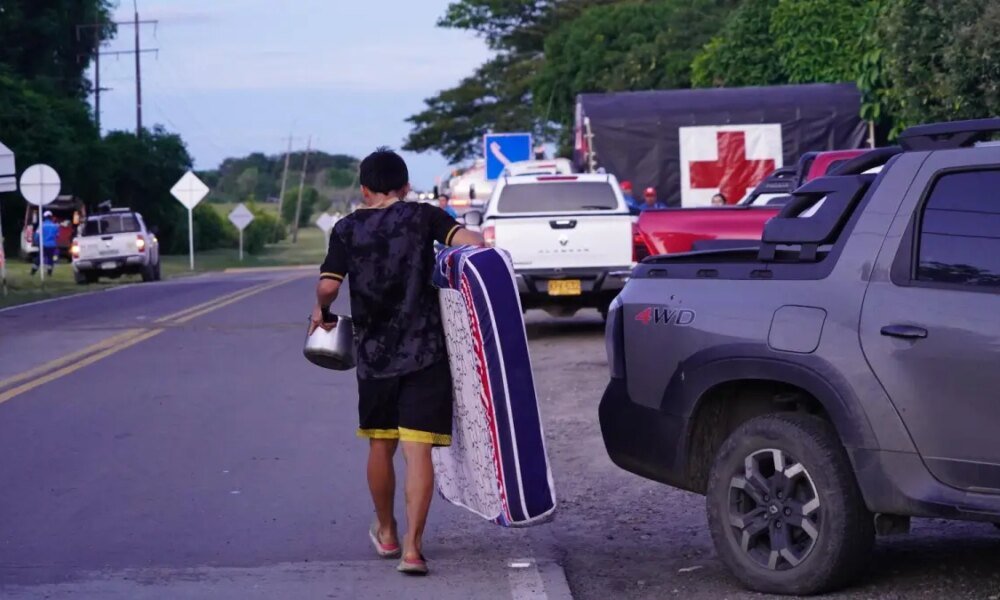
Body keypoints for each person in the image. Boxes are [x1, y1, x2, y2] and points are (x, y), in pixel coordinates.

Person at [310, 148, 484, 577]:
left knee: (380, 444)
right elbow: (472, 244)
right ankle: (412, 549)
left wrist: (320, 310)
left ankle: (386, 531)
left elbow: (329, 288)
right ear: (405, 187)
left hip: (375, 356)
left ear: (364, 190)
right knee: (418, 450)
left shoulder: (347, 229)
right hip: (425, 351)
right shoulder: (424, 217)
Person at [31, 211, 59, 277]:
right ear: (51, 217)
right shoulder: (55, 226)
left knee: (39, 258)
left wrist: (36, 241)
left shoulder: (41, 225)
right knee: (50, 259)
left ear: (44, 217)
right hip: (52, 245)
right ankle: (49, 272)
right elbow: (57, 236)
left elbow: (37, 235)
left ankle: (33, 271)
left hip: (43, 245)